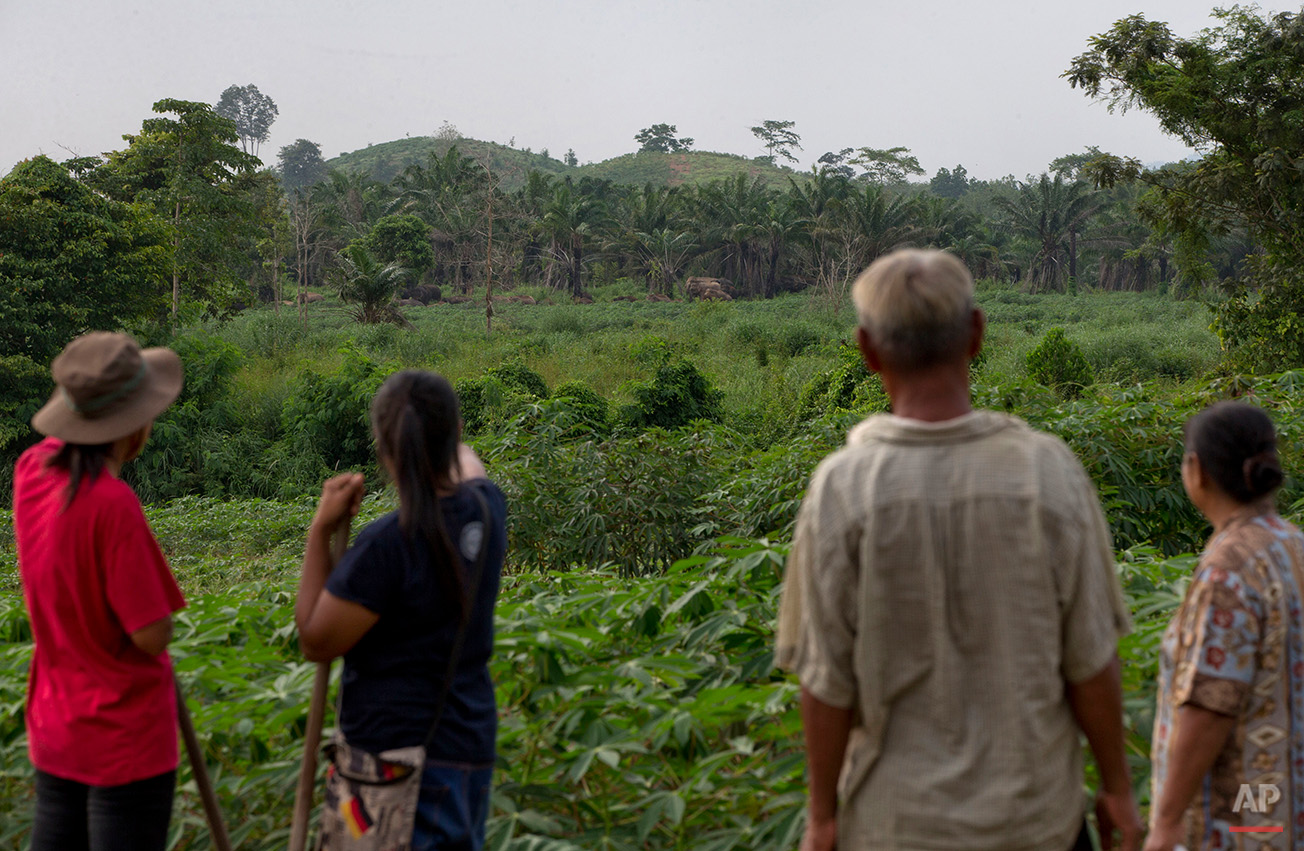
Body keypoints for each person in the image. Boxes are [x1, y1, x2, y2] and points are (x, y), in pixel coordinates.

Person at [775, 249, 1142, 851]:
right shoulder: (1046, 473)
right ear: (976, 334)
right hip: (1034, 819)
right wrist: (1119, 790)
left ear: (866, 352)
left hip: (896, 823)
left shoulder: (842, 489)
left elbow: (825, 682)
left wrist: (821, 819)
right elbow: (1091, 660)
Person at [295, 369, 507, 851]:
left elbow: (315, 639)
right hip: (467, 746)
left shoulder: (388, 545)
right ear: (452, 434)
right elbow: (467, 461)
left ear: (384, 446)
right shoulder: (486, 509)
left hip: (394, 765)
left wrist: (320, 531)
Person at [13, 332, 186, 851]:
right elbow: (150, 635)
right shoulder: (112, 505)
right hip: (124, 739)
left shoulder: (32, 472)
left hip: (57, 724)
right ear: (132, 426)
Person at [1146, 402, 1304, 851]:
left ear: (1197, 470)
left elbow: (1211, 705)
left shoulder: (1227, 570)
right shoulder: (1293, 544)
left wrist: (1167, 820)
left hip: (1238, 820)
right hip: (1283, 807)